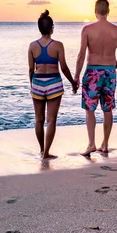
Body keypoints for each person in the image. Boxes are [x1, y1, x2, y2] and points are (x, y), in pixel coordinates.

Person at [74, 0, 117, 156]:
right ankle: (105, 144)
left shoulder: (88, 30)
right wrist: (111, 68)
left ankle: (91, 144)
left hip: (92, 73)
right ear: (108, 11)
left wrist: (76, 77)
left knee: (90, 109)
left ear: (95, 11)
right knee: (107, 109)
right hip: (109, 73)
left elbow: (81, 55)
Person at [28, 10, 77, 159]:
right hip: (54, 83)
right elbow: (64, 67)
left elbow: (31, 69)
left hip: (37, 82)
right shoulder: (58, 45)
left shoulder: (32, 46)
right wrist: (73, 82)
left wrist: (33, 84)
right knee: (51, 120)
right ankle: (47, 153)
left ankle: (41, 149)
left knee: (38, 119)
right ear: (51, 28)